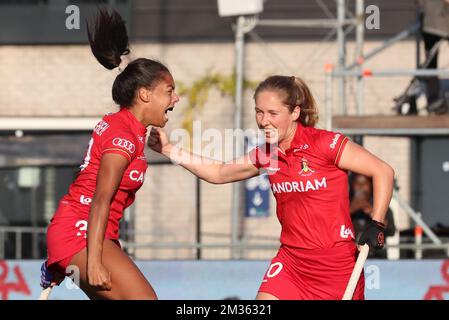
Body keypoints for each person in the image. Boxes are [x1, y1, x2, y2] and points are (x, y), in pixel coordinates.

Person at [147, 75, 394, 300]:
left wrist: (377, 224)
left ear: (295, 113)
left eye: (273, 114)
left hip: (336, 266)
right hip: (292, 262)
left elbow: (382, 171)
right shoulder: (268, 154)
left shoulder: (325, 144)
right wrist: (169, 150)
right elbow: (219, 173)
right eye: (259, 112)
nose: (264, 122)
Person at [40, 8, 179, 299]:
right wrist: (92, 260)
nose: (175, 99)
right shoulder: (122, 134)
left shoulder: (129, 129)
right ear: (145, 94)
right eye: (169, 91)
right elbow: (101, 197)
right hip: (80, 232)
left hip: (88, 235)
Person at [349, 173, 396, 256]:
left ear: (371, 186)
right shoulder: (344, 206)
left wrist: (372, 212)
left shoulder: (381, 207)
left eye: (364, 184)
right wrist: (350, 210)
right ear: (352, 186)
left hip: (376, 257)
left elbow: (391, 231)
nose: (360, 187)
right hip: (350, 256)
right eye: (357, 183)